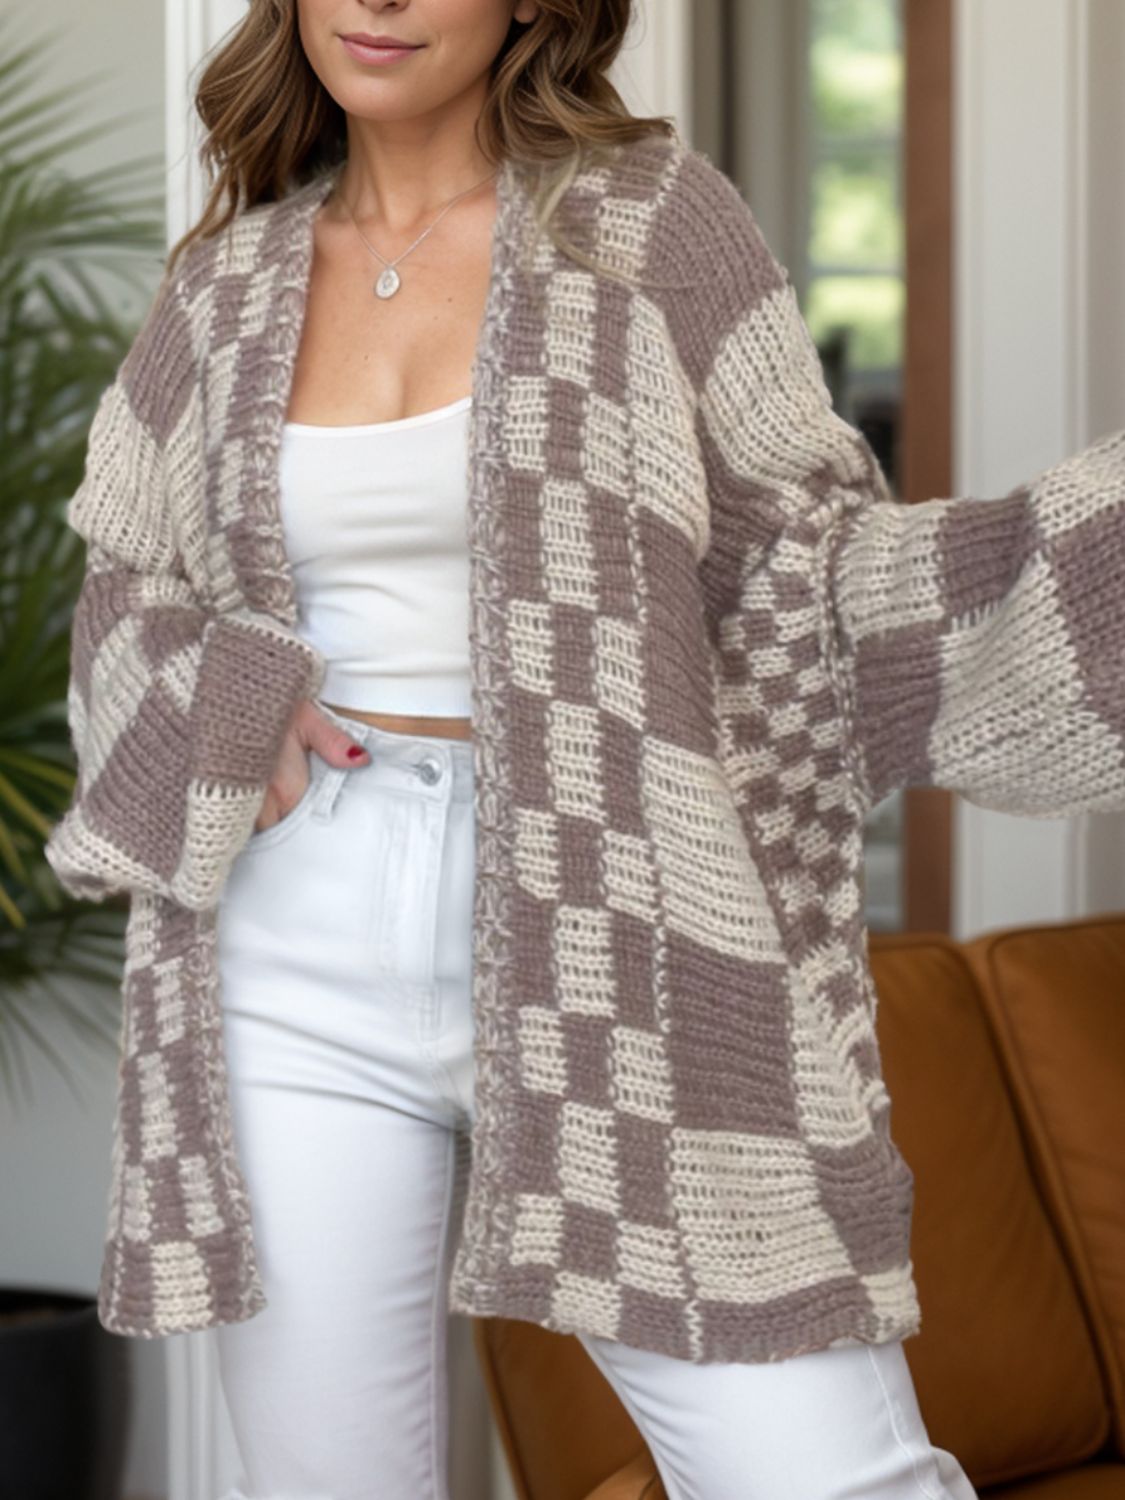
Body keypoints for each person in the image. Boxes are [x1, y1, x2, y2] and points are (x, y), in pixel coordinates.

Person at [42, 1, 1125, 1498]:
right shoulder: (219, 290)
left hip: (615, 906)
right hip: (287, 934)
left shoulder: (652, 227)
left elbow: (806, 567)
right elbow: (125, 589)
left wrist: (1075, 565)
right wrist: (234, 699)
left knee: (824, 1474)